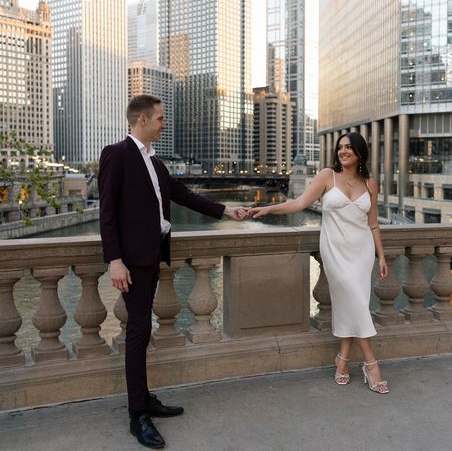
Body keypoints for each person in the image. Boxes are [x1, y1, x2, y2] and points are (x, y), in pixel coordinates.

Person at [98, 94, 248, 449]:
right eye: (161, 119)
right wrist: (114, 260)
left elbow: (183, 195)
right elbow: (107, 211)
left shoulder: (157, 163)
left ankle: (145, 398)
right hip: (131, 261)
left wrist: (225, 211)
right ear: (142, 120)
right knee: (137, 333)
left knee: (142, 330)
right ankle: (138, 415)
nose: (164, 124)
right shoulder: (116, 154)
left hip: (152, 257)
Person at [249, 132, 389, 394]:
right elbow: (300, 203)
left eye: (349, 147)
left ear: (360, 152)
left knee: (353, 303)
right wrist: (268, 209)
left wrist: (381, 256)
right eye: (340, 148)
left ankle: (343, 360)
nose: (343, 151)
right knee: (356, 302)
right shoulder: (327, 176)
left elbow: (373, 223)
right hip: (335, 250)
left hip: (361, 252)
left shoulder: (370, 182)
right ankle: (371, 364)